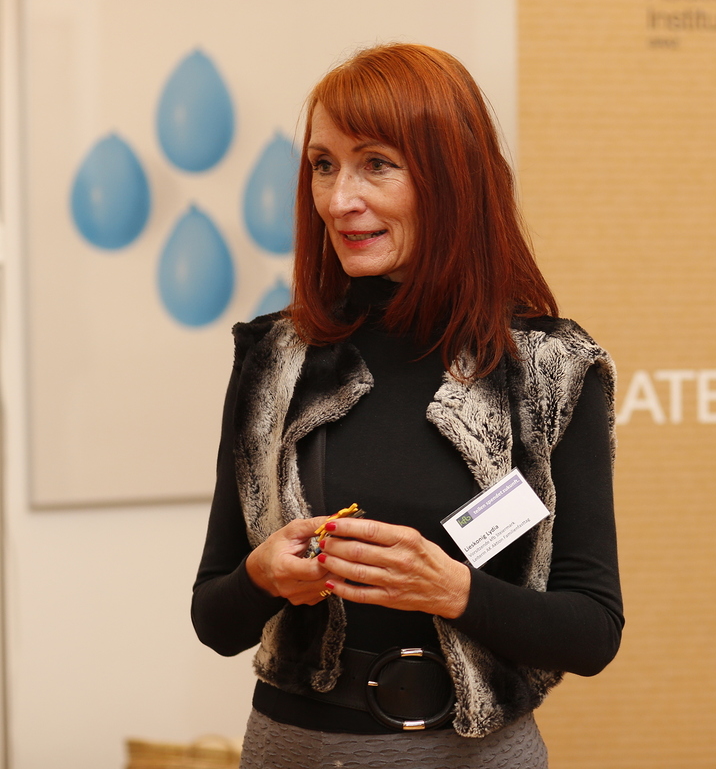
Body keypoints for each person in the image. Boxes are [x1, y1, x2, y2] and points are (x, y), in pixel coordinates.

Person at [191, 43, 621, 769]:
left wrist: (452, 590)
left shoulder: (551, 369)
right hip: (294, 748)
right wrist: (263, 577)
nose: (338, 200)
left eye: (376, 165)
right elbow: (214, 618)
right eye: (323, 165)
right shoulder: (274, 359)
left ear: (452, 179)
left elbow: (592, 631)